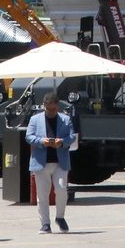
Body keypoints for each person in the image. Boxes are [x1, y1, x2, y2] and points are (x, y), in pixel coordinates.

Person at [25, 92, 79, 233]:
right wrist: (42, 142)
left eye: (54, 109)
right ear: (44, 106)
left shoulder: (65, 120)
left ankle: (60, 217)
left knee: (61, 190)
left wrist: (61, 142)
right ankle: (45, 224)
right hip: (41, 162)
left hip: (59, 162)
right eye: (48, 109)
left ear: (57, 106)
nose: (51, 112)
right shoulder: (35, 119)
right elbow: (29, 137)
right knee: (42, 195)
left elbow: (72, 136)